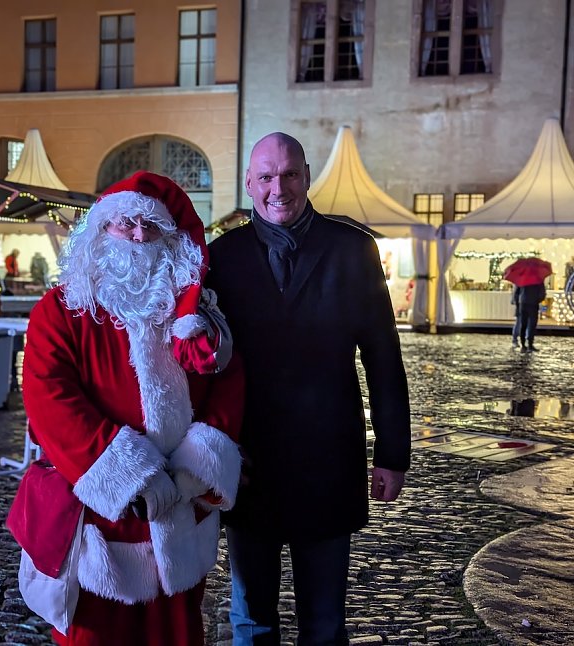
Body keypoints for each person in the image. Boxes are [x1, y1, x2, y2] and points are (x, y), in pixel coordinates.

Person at [18, 171, 243, 645]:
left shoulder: (195, 317)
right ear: (101, 230)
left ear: (171, 239)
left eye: (153, 227)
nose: (139, 237)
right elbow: (49, 399)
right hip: (98, 523)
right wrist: (132, 478)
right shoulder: (59, 311)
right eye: (127, 224)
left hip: (181, 515)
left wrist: (193, 472)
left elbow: (227, 384)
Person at [206, 132, 411, 645]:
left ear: (307, 176)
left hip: (328, 460)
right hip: (248, 463)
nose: (280, 188)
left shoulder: (353, 249)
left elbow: (383, 358)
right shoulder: (220, 258)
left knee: (324, 624)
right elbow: (199, 366)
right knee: (251, 621)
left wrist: (393, 453)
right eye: (267, 177)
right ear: (250, 183)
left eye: (291, 174)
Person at [513, 280, 547, 352]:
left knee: (523, 324)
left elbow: (516, 293)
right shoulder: (538, 280)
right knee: (532, 325)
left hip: (523, 303)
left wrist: (518, 303)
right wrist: (537, 300)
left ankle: (523, 345)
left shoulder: (522, 279)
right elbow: (542, 294)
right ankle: (530, 345)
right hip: (533, 304)